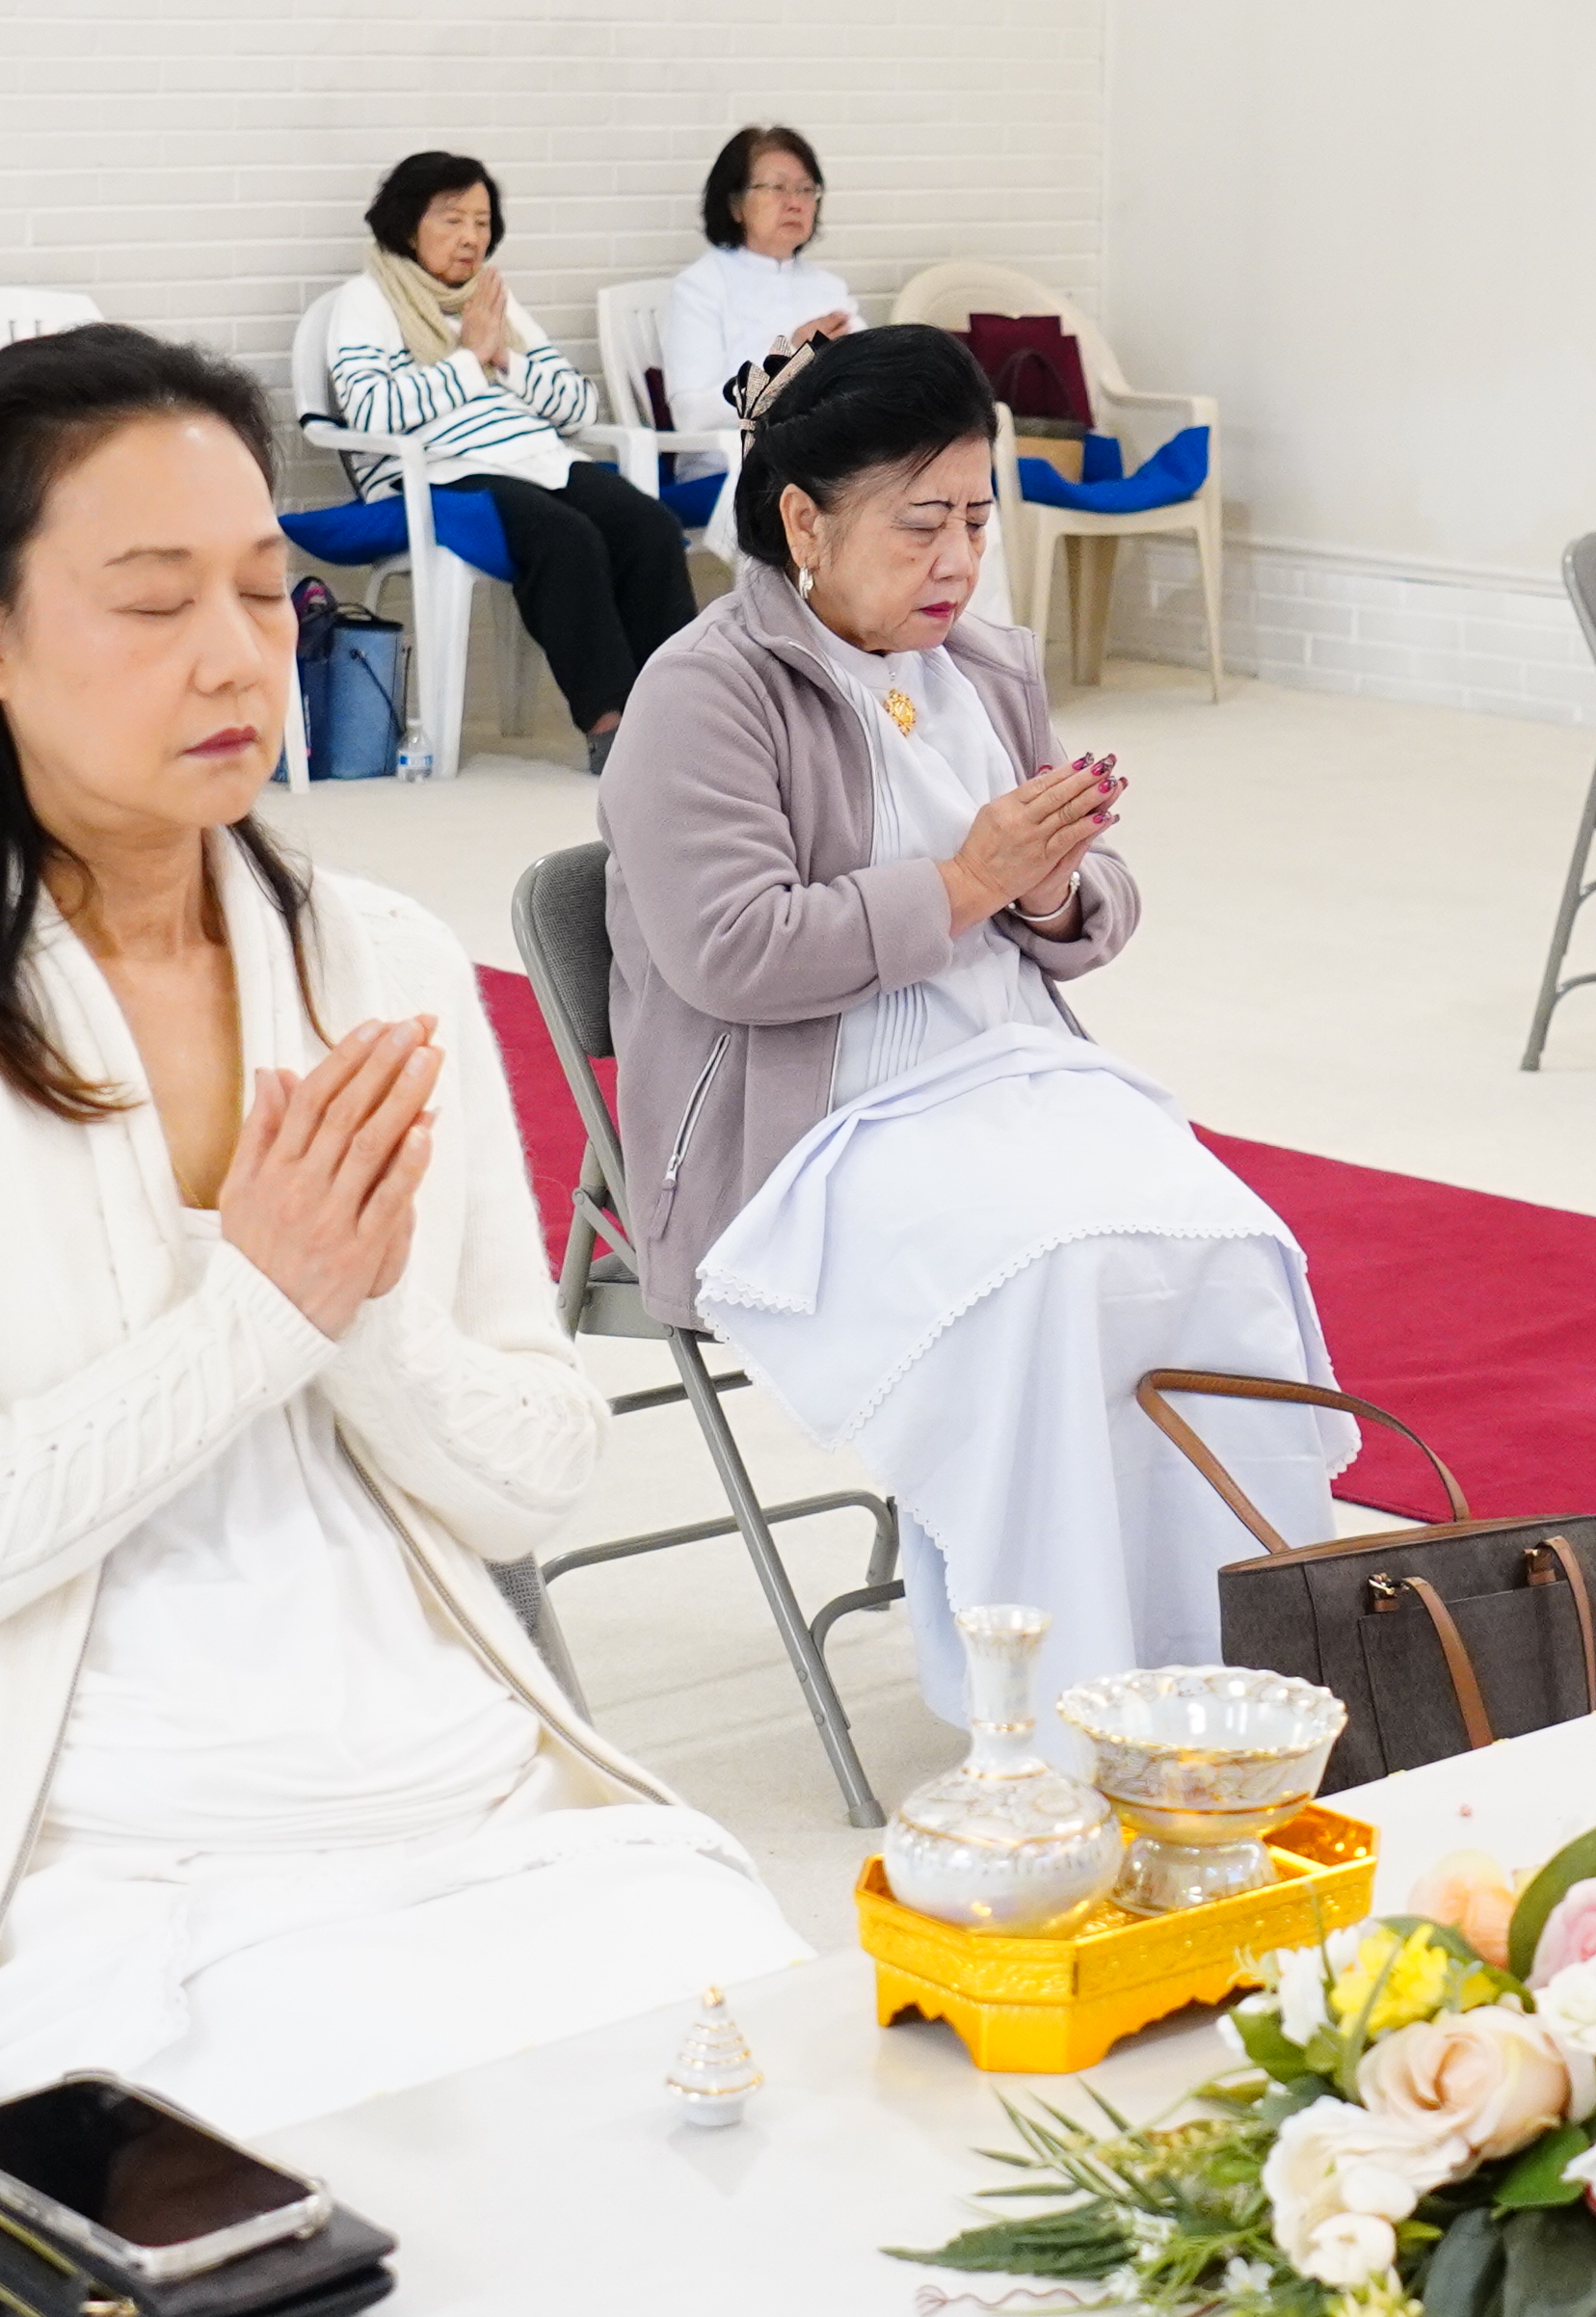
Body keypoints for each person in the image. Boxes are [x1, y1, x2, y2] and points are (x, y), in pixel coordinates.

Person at [0, 325, 792, 2144]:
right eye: (152, 604)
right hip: (116, 1864)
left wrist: (356, 1320)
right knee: (413, 2227)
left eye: (266, 592)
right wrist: (256, 1311)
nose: (236, 656)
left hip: (470, 1797)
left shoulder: (374, 961)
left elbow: (538, 1479)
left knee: (776, 2088)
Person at [598, 326, 1339, 1729]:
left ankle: (1240, 1672)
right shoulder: (708, 693)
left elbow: (1096, 912)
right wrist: (964, 883)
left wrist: (1052, 890)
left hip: (1010, 1078)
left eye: (977, 519)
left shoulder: (988, 670)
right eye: (919, 523)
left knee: (1215, 1239)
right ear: (805, 521)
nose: (956, 560)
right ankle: (1055, 1696)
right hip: (816, 1129)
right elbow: (731, 951)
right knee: (1052, 1276)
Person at [288, 149, 696, 770]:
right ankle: (611, 722)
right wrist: (469, 360)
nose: (471, 237)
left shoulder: (492, 300)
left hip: (535, 458)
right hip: (439, 471)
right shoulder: (366, 301)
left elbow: (579, 410)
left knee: (650, 526)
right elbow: (371, 412)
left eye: (481, 222)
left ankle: (678, 716)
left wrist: (504, 358)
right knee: (566, 538)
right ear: (407, 224)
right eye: (452, 220)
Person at [666, 122, 860, 439]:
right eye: (777, 188)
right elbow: (691, 415)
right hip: (738, 461)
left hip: (830, 458)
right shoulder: (700, 288)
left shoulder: (831, 290)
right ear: (735, 205)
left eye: (806, 189)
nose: (795, 202)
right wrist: (789, 360)